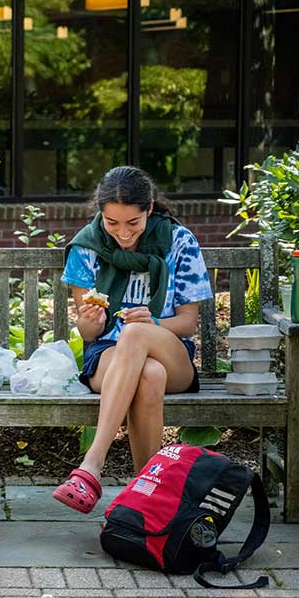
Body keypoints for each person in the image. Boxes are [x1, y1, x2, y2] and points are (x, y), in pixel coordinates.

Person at [53, 166, 213, 514]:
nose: (123, 234)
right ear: (101, 214)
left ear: (149, 209)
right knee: (148, 374)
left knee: (137, 333)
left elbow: (187, 323)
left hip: (173, 355)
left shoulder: (179, 242)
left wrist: (153, 321)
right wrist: (88, 321)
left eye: (133, 223)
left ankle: (92, 465)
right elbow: (89, 334)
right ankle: (149, 500)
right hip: (108, 355)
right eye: (112, 223)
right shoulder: (86, 246)